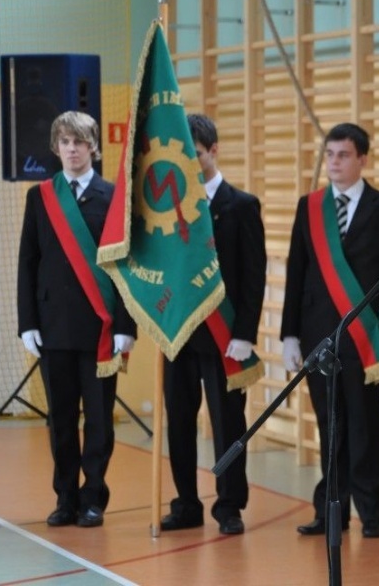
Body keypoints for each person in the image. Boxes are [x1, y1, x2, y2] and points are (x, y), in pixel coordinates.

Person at [281, 122, 379, 539]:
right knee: (329, 425)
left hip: (366, 340)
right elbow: (296, 272)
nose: (334, 163)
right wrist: (289, 335)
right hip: (318, 336)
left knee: (366, 426)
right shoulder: (309, 207)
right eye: (330, 155)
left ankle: (373, 514)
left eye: (343, 155)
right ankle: (330, 513)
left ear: (362, 159)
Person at [17, 110, 137, 528]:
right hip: (53, 326)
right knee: (61, 420)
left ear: (93, 147)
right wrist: (27, 322)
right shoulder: (40, 197)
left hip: (100, 328)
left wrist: (125, 326)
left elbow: (125, 265)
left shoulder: (113, 197)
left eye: (80, 142)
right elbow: (28, 262)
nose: (72, 149)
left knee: (100, 421)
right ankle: (65, 498)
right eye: (65, 142)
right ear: (56, 147)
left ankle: (93, 498)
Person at [160, 114, 267, 536]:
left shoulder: (241, 205)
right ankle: (186, 503)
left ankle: (229, 505)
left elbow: (253, 276)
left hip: (225, 338)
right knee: (179, 423)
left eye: (198, 153)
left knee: (227, 425)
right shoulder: (171, 208)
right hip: (181, 334)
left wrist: (244, 334)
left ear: (214, 151)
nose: (191, 162)